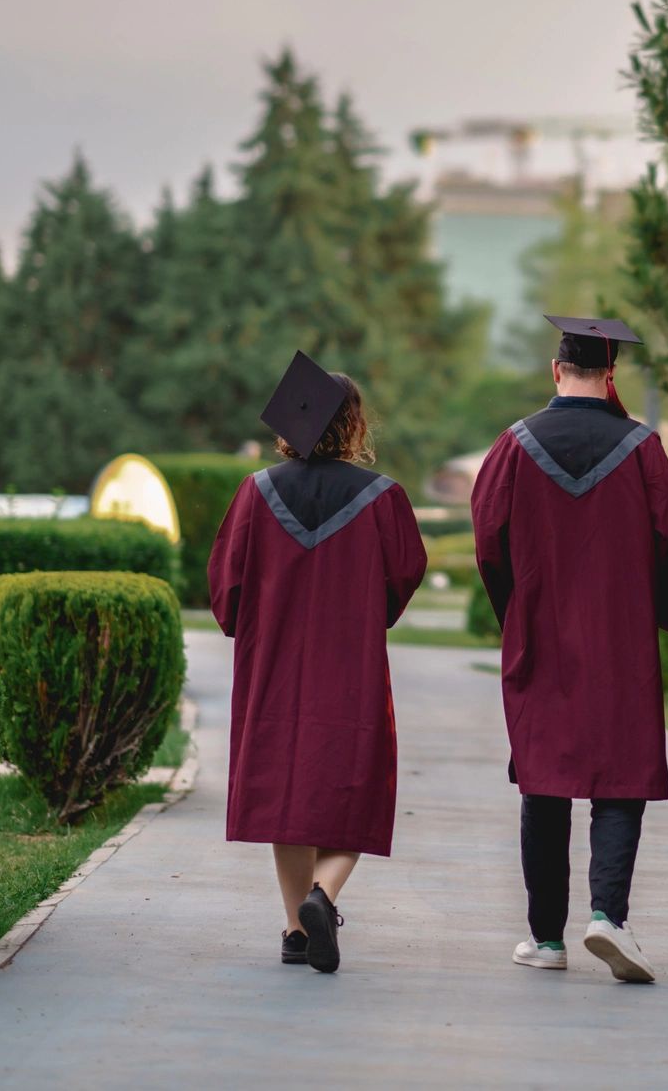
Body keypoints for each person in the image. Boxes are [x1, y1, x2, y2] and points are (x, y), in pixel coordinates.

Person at [471, 314, 668, 982]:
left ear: (555, 371)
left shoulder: (514, 445)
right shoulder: (642, 448)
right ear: (612, 375)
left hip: (541, 634)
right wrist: (648, 606)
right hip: (618, 638)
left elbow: (487, 541)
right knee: (617, 779)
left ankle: (546, 940)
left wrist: (516, 608)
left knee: (544, 781)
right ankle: (607, 918)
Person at [208, 351, 427, 974]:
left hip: (274, 668)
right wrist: (364, 609)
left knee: (288, 794)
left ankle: (294, 932)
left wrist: (251, 620)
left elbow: (227, 592)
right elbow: (403, 577)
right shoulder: (384, 497)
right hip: (350, 668)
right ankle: (322, 898)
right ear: (355, 426)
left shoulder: (256, 492)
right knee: (351, 792)